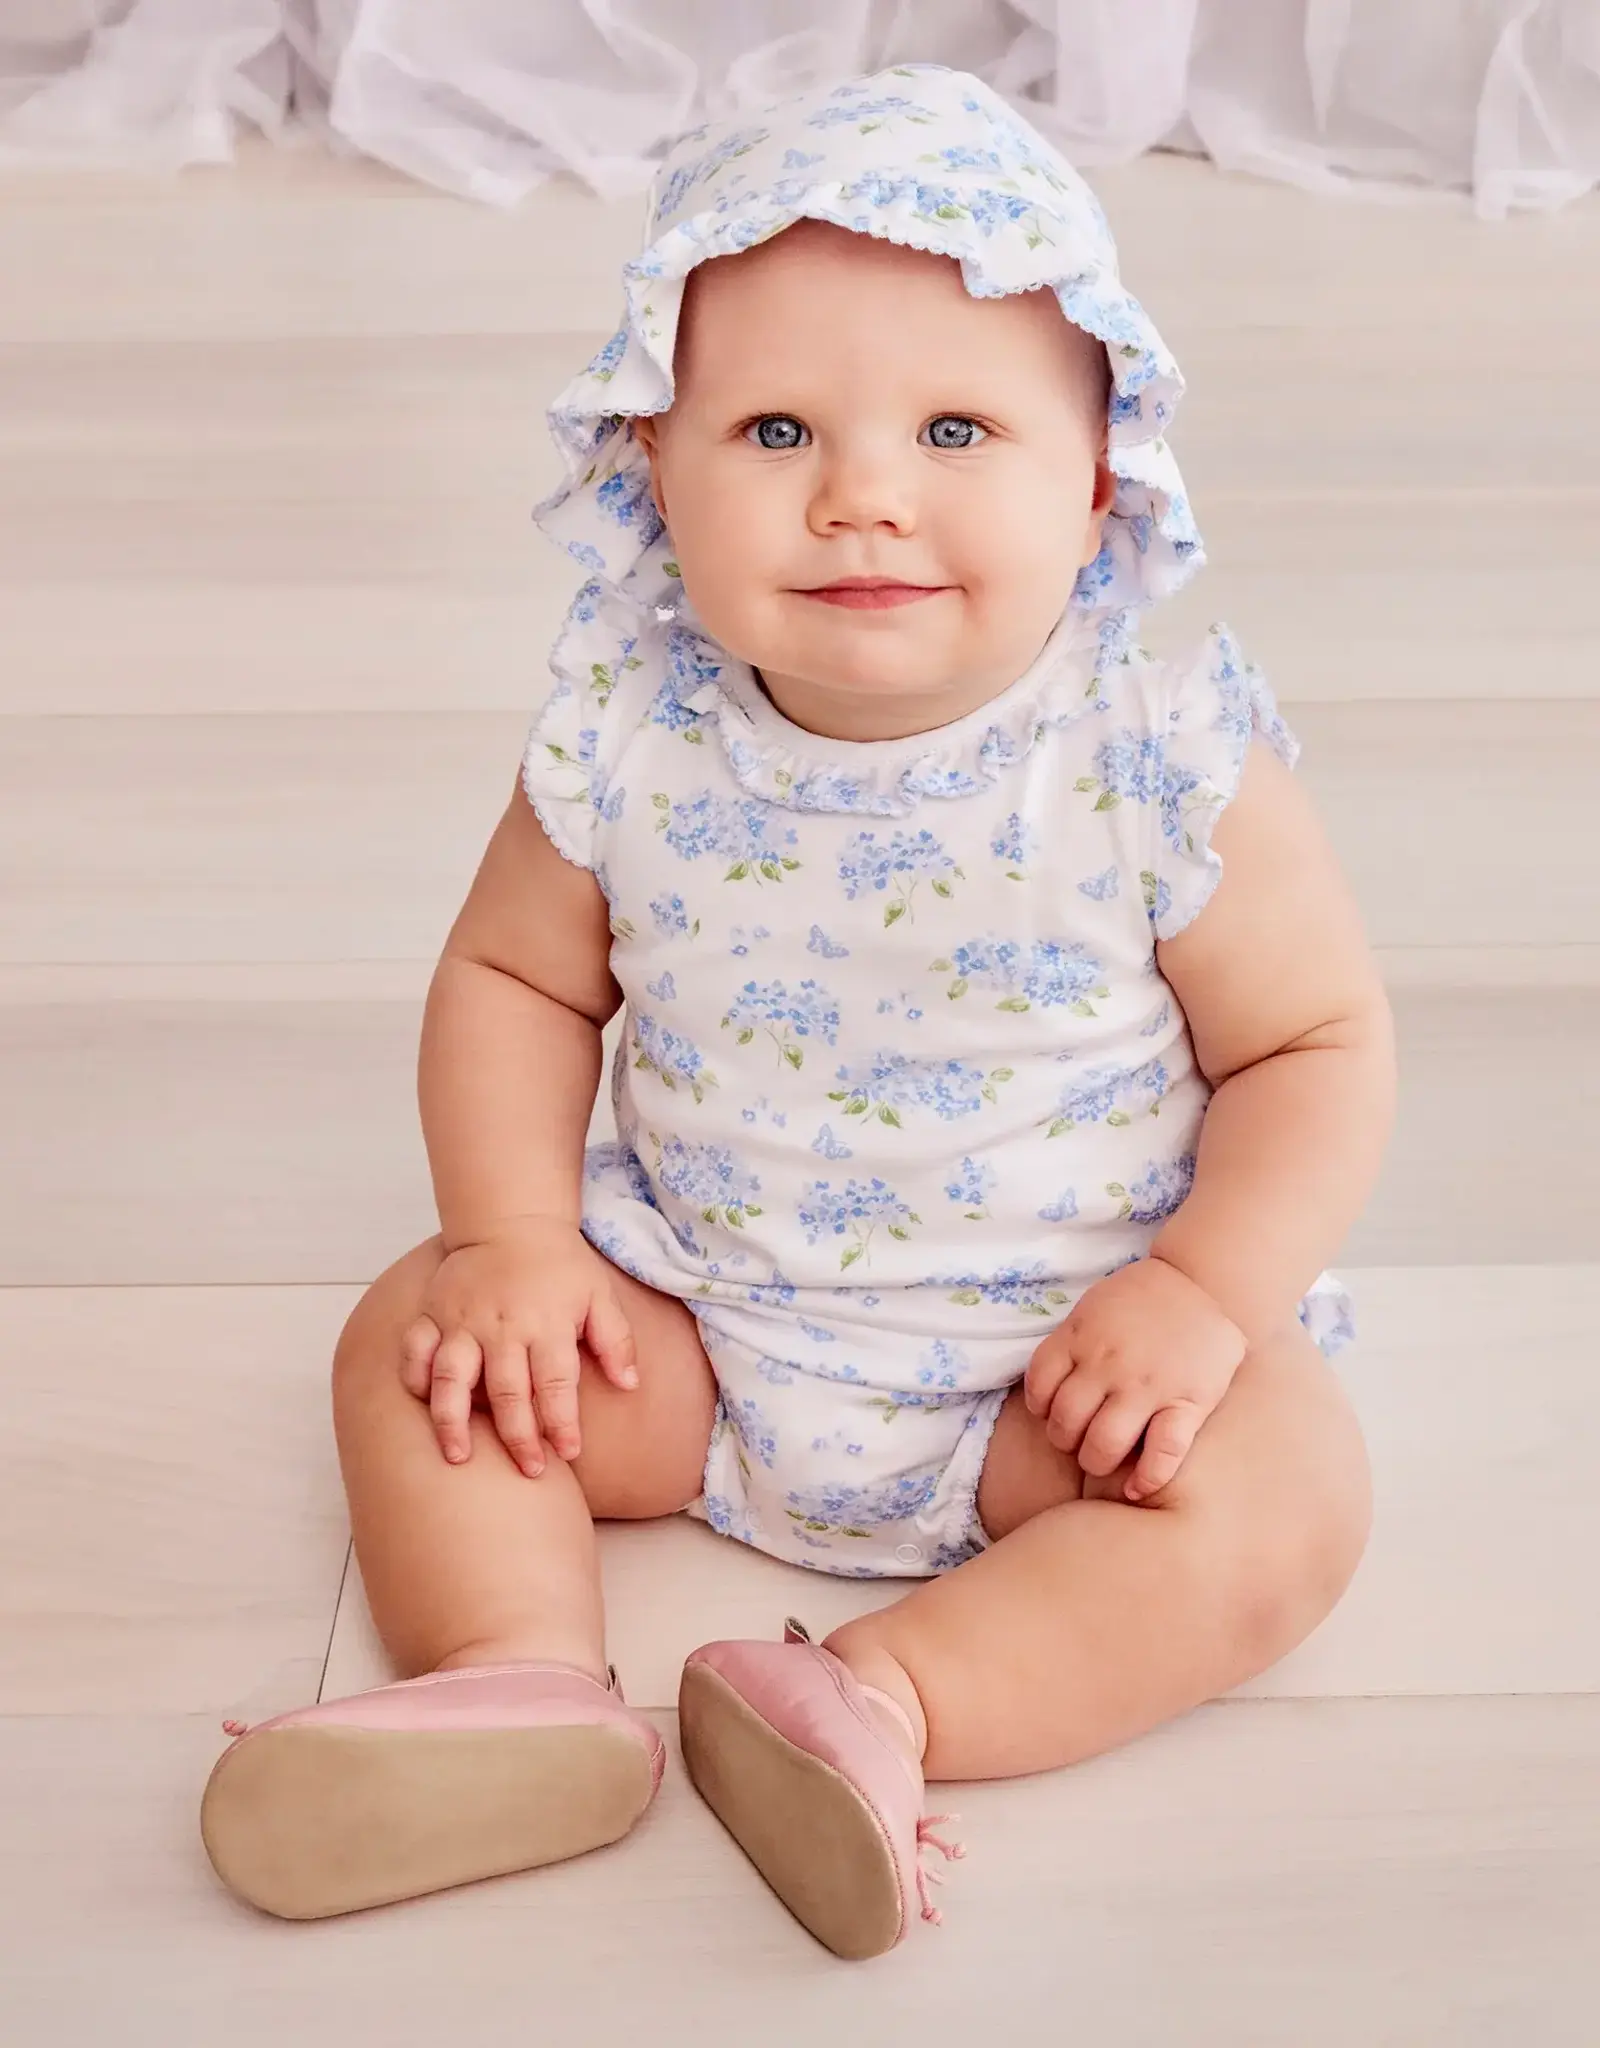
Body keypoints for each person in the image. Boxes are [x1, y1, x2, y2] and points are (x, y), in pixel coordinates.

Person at [200, 65, 1392, 1960]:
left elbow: (1311, 1051)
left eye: (953, 427)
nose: (863, 495)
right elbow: (510, 979)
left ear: (1099, 480)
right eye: (773, 428)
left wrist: (1198, 1297)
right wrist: (515, 1243)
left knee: (1289, 1496)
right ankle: (515, 1689)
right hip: (695, 1322)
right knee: (419, 1341)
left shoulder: (1157, 761)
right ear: (652, 466)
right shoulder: (629, 734)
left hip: (1064, 1369)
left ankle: (876, 1704)